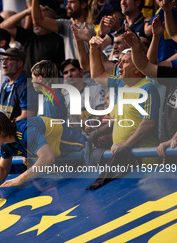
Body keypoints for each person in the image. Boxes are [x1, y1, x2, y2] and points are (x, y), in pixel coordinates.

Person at [0, 112, 89, 199]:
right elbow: (3, 167)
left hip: (80, 150)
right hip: (63, 162)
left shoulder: (27, 131)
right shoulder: (5, 143)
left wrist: (21, 178)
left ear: (1, 130)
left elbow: (47, 157)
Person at [89, 35, 160, 163]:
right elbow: (97, 75)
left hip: (144, 158)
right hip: (126, 158)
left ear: (138, 68)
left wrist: (126, 144)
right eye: (119, 61)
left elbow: (148, 123)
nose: (119, 65)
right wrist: (93, 48)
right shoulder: (121, 84)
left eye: (125, 62)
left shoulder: (147, 88)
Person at [121, 28, 177, 162]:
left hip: (172, 145)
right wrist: (135, 48)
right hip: (167, 151)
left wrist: (174, 139)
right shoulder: (173, 75)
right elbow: (147, 67)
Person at [0, 4, 65, 77]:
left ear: (50, 22)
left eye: (39, 19)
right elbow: (4, 26)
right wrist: (27, 11)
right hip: (29, 83)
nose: (35, 22)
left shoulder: (58, 41)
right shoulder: (29, 36)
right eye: (34, 19)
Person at [61, 58, 106, 135]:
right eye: (66, 73)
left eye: (72, 70)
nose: (69, 74)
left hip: (98, 136)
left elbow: (101, 116)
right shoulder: (63, 99)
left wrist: (79, 123)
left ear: (81, 72)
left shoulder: (96, 89)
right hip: (76, 141)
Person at [0, 48, 37, 120]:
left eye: (8, 59)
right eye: (2, 59)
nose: (3, 63)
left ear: (20, 63)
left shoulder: (28, 86)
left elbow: (27, 115)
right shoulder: (5, 84)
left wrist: (6, 126)